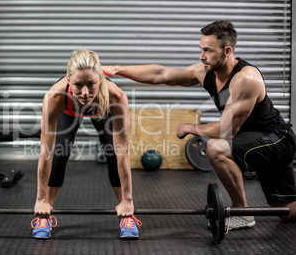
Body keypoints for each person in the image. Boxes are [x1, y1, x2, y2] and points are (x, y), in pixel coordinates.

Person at [103, 20, 296, 229]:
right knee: (286, 210)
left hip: (275, 140)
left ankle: (242, 213)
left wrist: (190, 128)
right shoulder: (206, 73)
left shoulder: (246, 78)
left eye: (207, 51)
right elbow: (161, 74)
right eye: (201, 49)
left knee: (216, 148)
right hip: (252, 140)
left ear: (227, 50)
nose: (201, 56)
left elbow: (225, 131)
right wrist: (117, 69)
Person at [31, 49, 141, 239]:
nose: (84, 93)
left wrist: (129, 200)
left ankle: (126, 214)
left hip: (103, 105)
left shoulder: (116, 97)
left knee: (114, 153)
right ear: (68, 79)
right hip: (68, 109)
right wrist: (40, 199)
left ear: (100, 77)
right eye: (77, 85)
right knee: (58, 153)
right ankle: (44, 214)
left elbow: (123, 152)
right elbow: (45, 153)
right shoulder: (55, 98)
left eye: (91, 84)